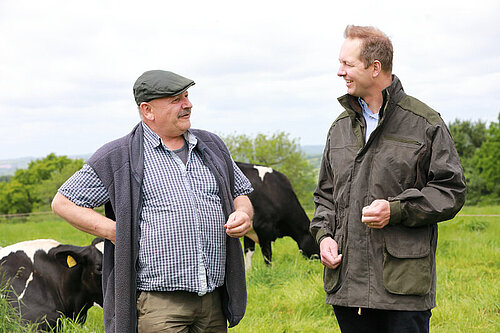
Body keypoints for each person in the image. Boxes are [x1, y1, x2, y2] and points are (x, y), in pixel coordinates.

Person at [52, 70, 254, 333]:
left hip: (212, 299)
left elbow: (240, 191)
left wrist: (243, 213)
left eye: (186, 96)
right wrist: (116, 232)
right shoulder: (119, 156)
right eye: (175, 99)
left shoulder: (211, 145)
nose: (187, 104)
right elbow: (63, 202)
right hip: (159, 305)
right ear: (148, 110)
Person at [310, 25, 466, 333]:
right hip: (347, 288)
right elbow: (324, 196)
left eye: (347, 64)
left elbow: (450, 190)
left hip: (402, 290)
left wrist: (397, 210)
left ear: (375, 67)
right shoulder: (339, 128)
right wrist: (324, 236)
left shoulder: (425, 123)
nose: (340, 72)